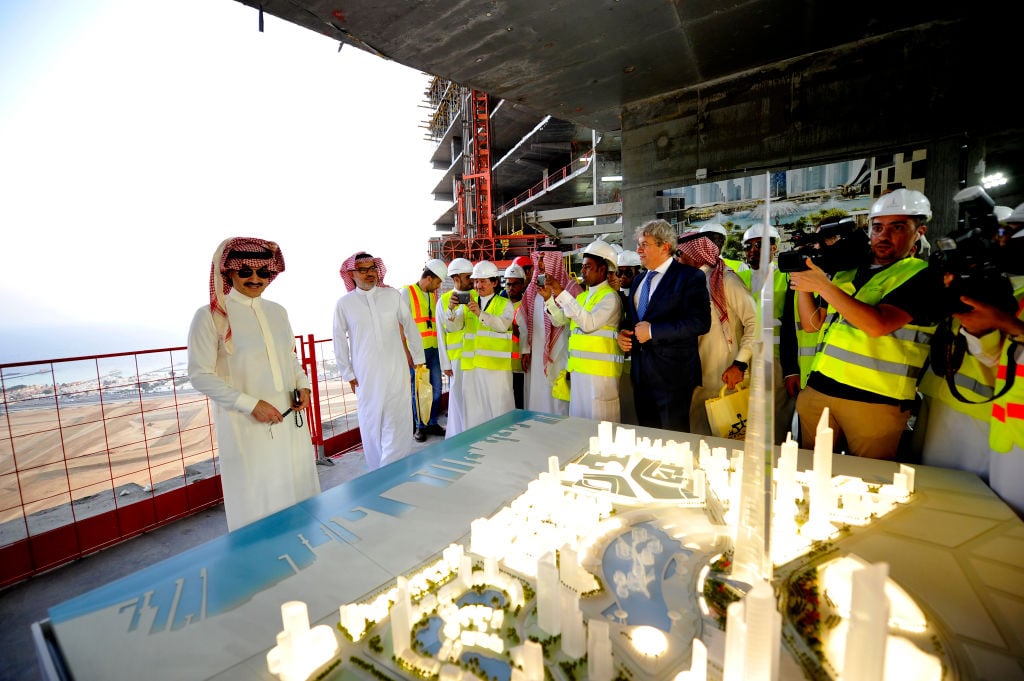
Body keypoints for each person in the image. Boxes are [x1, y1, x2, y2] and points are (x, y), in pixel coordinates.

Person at [789, 189, 938, 459]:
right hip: (820, 390)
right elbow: (813, 325)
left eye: (898, 227)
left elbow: (878, 325)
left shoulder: (923, 277)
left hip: (875, 402)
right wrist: (803, 284)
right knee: (808, 475)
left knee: (869, 483)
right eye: (878, 227)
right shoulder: (848, 271)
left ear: (920, 231)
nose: (884, 235)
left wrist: (822, 285)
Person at [187, 237, 320, 532]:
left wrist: (304, 385)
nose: (255, 279)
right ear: (229, 273)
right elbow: (199, 374)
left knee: (297, 493)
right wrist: (251, 404)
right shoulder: (211, 316)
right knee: (258, 502)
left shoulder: (277, 312)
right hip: (245, 425)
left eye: (263, 272)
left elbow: (289, 357)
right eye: (245, 271)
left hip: (290, 421)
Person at [333, 252, 426, 470]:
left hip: (396, 369)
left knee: (398, 420)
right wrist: (347, 373)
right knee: (371, 422)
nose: (369, 274)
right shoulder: (345, 304)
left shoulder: (392, 296)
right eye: (363, 270)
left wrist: (419, 358)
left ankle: (394, 469)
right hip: (366, 375)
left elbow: (410, 326)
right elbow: (338, 339)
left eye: (372, 268)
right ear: (352, 274)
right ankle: (378, 471)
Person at [617, 219, 711, 432]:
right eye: (639, 244)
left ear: (665, 246)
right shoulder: (639, 280)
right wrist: (622, 334)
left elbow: (700, 322)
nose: (638, 250)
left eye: (644, 244)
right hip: (641, 376)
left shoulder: (689, 277)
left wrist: (652, 331)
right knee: (649, 435)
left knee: (674, 439)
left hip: (674, 378)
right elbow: (633, 322)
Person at [675, 232, 757, 436]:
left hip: (726, 377)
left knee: (729, 444)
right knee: (698, 440)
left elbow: (755, 322)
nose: (677, 259)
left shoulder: (726, 280)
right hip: (696, 379)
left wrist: (740, 363)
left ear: (694, 255)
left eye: (680, 254)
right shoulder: (688, 283)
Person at [542, 239, 623, 421]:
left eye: (587, 267)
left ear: (602, 269)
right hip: (579, 374)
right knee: (580, 424)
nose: (582, 271)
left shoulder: (610, 299)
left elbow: (588, 323)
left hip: (600, 377)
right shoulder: (583, 297)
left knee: (601, 428)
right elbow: (560, 320)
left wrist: (562, 293)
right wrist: (549, 299)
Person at [738, 223, 798, 443]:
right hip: (745, 359)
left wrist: (792, 369)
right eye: (749, 246)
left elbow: (792, 325)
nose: (753, 250)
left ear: (774, 248)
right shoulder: (739, 279)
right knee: (745, 415)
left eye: (760, 245)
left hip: (776, 359)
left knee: (776, 418)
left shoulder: (787, 278)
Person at [449, 260, 515, 429]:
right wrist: (451, 310)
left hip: (495, 369)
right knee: (473, 413)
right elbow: (454, 327)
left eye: (483, 281)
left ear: (494, 282)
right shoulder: (468, 303)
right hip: (472, 368)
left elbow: (503, 326)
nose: (478, 285)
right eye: (476, 281)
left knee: (498, 411)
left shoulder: (504, 304)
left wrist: (480, 313)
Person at [523, 249, 581, 416]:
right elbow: (524, 322)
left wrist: (550, 298)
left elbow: (563, 320)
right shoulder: (532, 290)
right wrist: (525, 350)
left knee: (557, 396)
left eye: (544, 259)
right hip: (537, 354)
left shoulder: (571, 289)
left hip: (560, 351)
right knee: (538, 394)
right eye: (538, 259)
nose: (540, 264)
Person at [400, 258, 448, 441]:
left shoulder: (432, 294)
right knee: (419, 391)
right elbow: (400, 326)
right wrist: (406, 353)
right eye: (437, 282)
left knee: (436, 389)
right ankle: (420, 427)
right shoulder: (406, 293)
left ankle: (432, 422)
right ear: (429, 278)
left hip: (433, 350)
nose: (438, 287)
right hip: (416, 353)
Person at [437, 257, 475, 438]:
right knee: (458, 399)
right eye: (469, 277)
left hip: (476, 358)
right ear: (457, 279)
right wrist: (445, 363)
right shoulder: (444, 301)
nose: (473, 281)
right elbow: (441, 333)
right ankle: (459, 435)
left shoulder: (478, 296)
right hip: (457, 360)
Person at [613, 249, 642, 424]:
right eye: (619, 272)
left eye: (627, 272)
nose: (622, 276)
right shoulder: (617, 295)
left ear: (638, 271)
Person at [502, 263, 531, 409]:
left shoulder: (526, 306)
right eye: (508, 284)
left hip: (519, 364)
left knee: (519, 401)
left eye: (515, 284)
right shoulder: (500, 305)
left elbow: (529, 333)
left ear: (522, 284)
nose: (511, 287)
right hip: (502, 364)